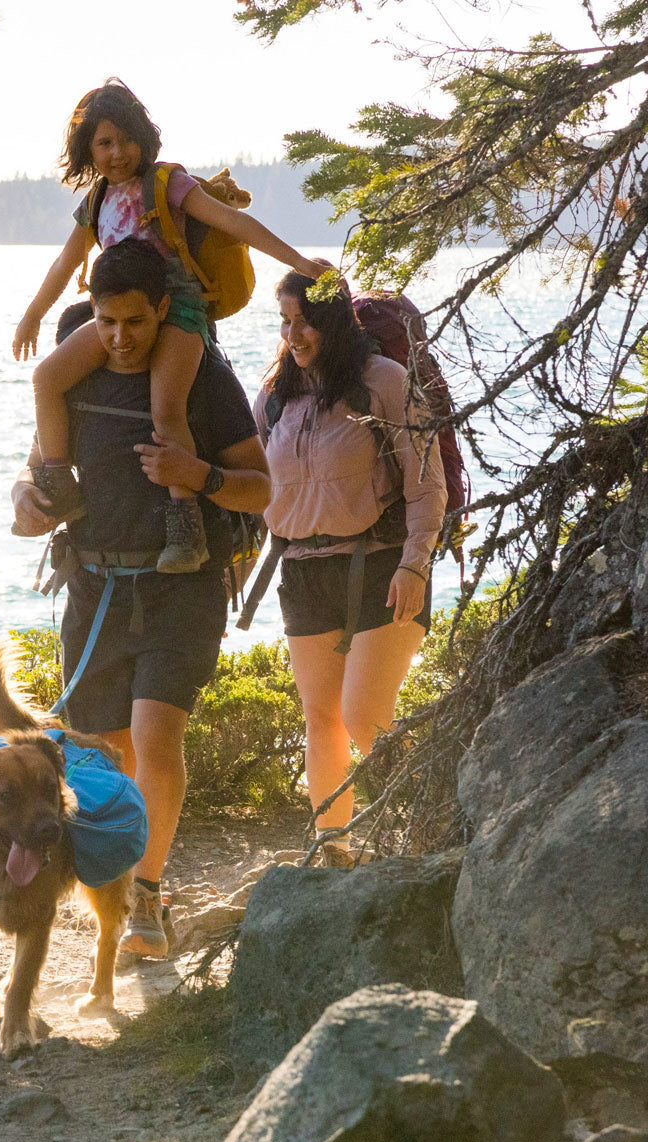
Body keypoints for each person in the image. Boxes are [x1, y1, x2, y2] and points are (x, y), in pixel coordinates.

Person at [11, 237, 271, 956]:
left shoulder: (202, 377)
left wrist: (199, 474)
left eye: (136, 322)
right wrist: (26, 501)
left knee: (156, 738)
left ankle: (147, 897)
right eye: (107, 322)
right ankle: (120, 889)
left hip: (179, 586)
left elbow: (263, 487)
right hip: (93, 585)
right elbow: (34, 470)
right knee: (105, 751)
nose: (121, 339)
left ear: (163, 307)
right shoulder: (76, 372)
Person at [12, 79, 321, 573]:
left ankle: (185, 525)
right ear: (87, 148)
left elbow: (232, 223)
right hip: (118, 312)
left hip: (175, 311)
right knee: (46, 378)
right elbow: (68, 263)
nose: (117, 153)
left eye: (126, 139)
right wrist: (32, 315)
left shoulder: (167, 183)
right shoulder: (96, 201)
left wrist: (298, 260)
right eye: (104, 143)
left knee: (165, 407)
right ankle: (58, 486)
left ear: (144, 138)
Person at [254, 269, 447, 868]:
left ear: (335, 319)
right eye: (285, 322)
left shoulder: (384, 382)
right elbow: (256, 487)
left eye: (304, 320)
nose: (294, 334)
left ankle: (436, 818)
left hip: (382, 564)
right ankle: (332, 850)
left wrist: (416, 563)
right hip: (303, 570)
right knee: (321, 718)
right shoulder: (273, 396)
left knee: (363, 712)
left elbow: (427, 483)